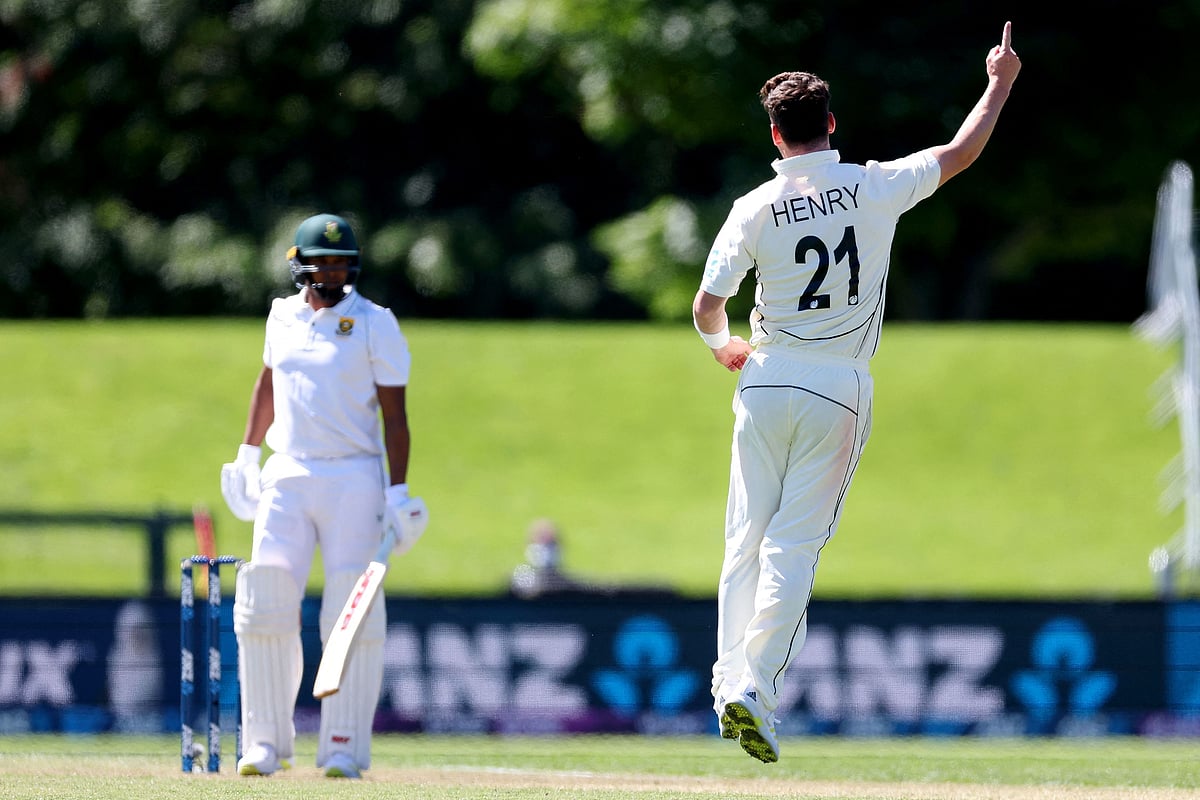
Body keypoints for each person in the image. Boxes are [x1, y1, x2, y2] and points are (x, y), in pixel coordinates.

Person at [693, 24, 1021, 763]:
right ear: (830, 125)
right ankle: (754, 691)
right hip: (838, 387)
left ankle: (725, 685)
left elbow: (706, 307)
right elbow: (963, 152)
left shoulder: (752, 207)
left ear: (776, 136)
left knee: (742, 542)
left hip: (765, 376)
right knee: (794, 546)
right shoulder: (875, 185)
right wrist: (998, 81)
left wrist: (724, 348)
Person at [219, 213, 429, 779]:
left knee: (349, 610)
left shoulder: (375, 323)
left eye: (341, 263)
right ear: (300, 267)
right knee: (265, 600)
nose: (333, 272)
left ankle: (342, 746)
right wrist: (247, 453)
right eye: (323, 263)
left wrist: (399, 489)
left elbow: (395, 416)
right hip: (287, 471)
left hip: (354, 476)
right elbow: (267, 383)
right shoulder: (281, 316)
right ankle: (264, 743)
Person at [509, 518, 584, 598]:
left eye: (550, 544)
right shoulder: (517, 587)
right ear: (528, 547)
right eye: (539, 543)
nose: (545, 549)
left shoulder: (571, 588)